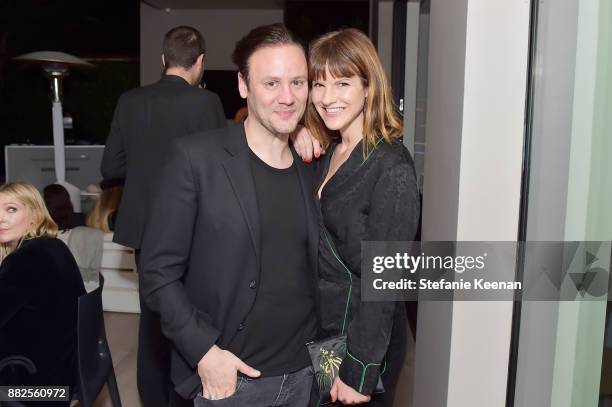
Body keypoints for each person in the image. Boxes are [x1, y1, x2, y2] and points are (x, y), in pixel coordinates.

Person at [140, 23, 318, 407]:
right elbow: (157, 273)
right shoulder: (195, 159)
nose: (287, 97)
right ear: (243, 86)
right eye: (271, 83)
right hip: (231, 381)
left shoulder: (313, 167)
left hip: (305, 377)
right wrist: (204, 352)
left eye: (298, 82)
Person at [101, 25, 226, 407]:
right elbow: (223, 167)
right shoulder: (207, 104)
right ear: (200, 62)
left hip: (146, 228)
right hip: (193, 227)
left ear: (162, 59)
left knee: (152, 317)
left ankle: (152, 399)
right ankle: (184, 395)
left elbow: (111, 165)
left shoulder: (131, 100)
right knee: (189, 314)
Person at [304, 28, 420, 406]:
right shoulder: (332, 151)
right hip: (327, 331)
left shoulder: (391, 166)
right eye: (318, 85)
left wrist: (359, 370)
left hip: (361, 342)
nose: (327, 97)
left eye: (342, 83)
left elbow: (385, 281)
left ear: (369, 87)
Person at [0, 182, 85, 405]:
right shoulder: (52, 246)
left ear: (35, 215)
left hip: (39, 390)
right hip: (69, 374)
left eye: (11, 209)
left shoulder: (24, 259)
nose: (1, 218)